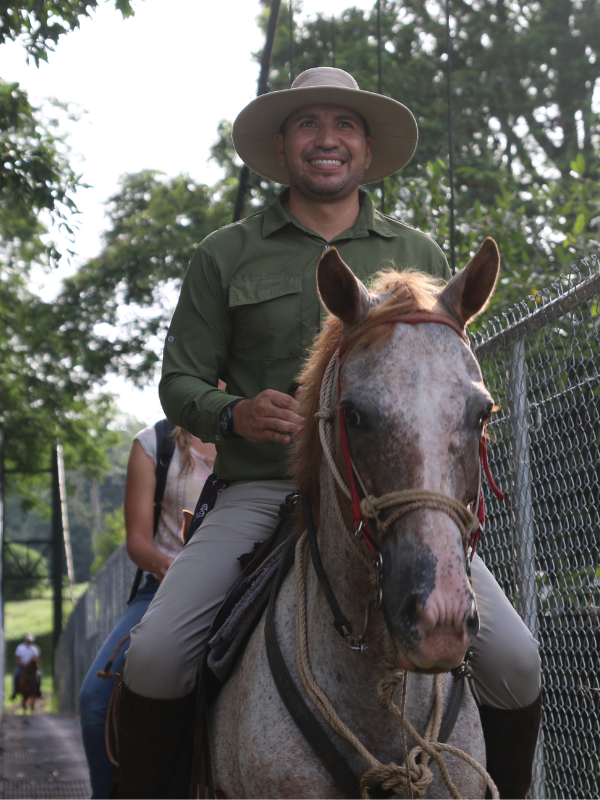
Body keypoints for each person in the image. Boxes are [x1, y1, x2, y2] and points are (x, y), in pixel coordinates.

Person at [118, 68, 542, 799]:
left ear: (366, 150)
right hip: (262, 490)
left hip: (394, 498)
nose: (327, 139)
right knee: (155, 656)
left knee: (517, 663)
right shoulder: (225, 253)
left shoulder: (420, 253)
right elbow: (179, 382)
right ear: (282, 146)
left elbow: (445, 387)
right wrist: (234, 413)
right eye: (308, 123)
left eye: (345, 124)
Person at [78, 423, 215, 798]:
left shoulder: (271, 427)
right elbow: (137, 540)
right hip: (164, 585)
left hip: (243, 581)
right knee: (94, 700)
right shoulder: (153, 443)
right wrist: (164, 564)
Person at [11, 633, 41, 699]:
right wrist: (24, 664)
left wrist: (32, 664)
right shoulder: (20, 648)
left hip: (32, 667)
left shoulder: (34, 649)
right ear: (25, 640)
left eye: (30, 641)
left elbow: (36, 658)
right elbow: (17, 659)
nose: (29, 642)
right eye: (28, 640)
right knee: (16, 675)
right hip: (22, 666)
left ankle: (38, 692)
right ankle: (15, 692)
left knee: (39, 675)